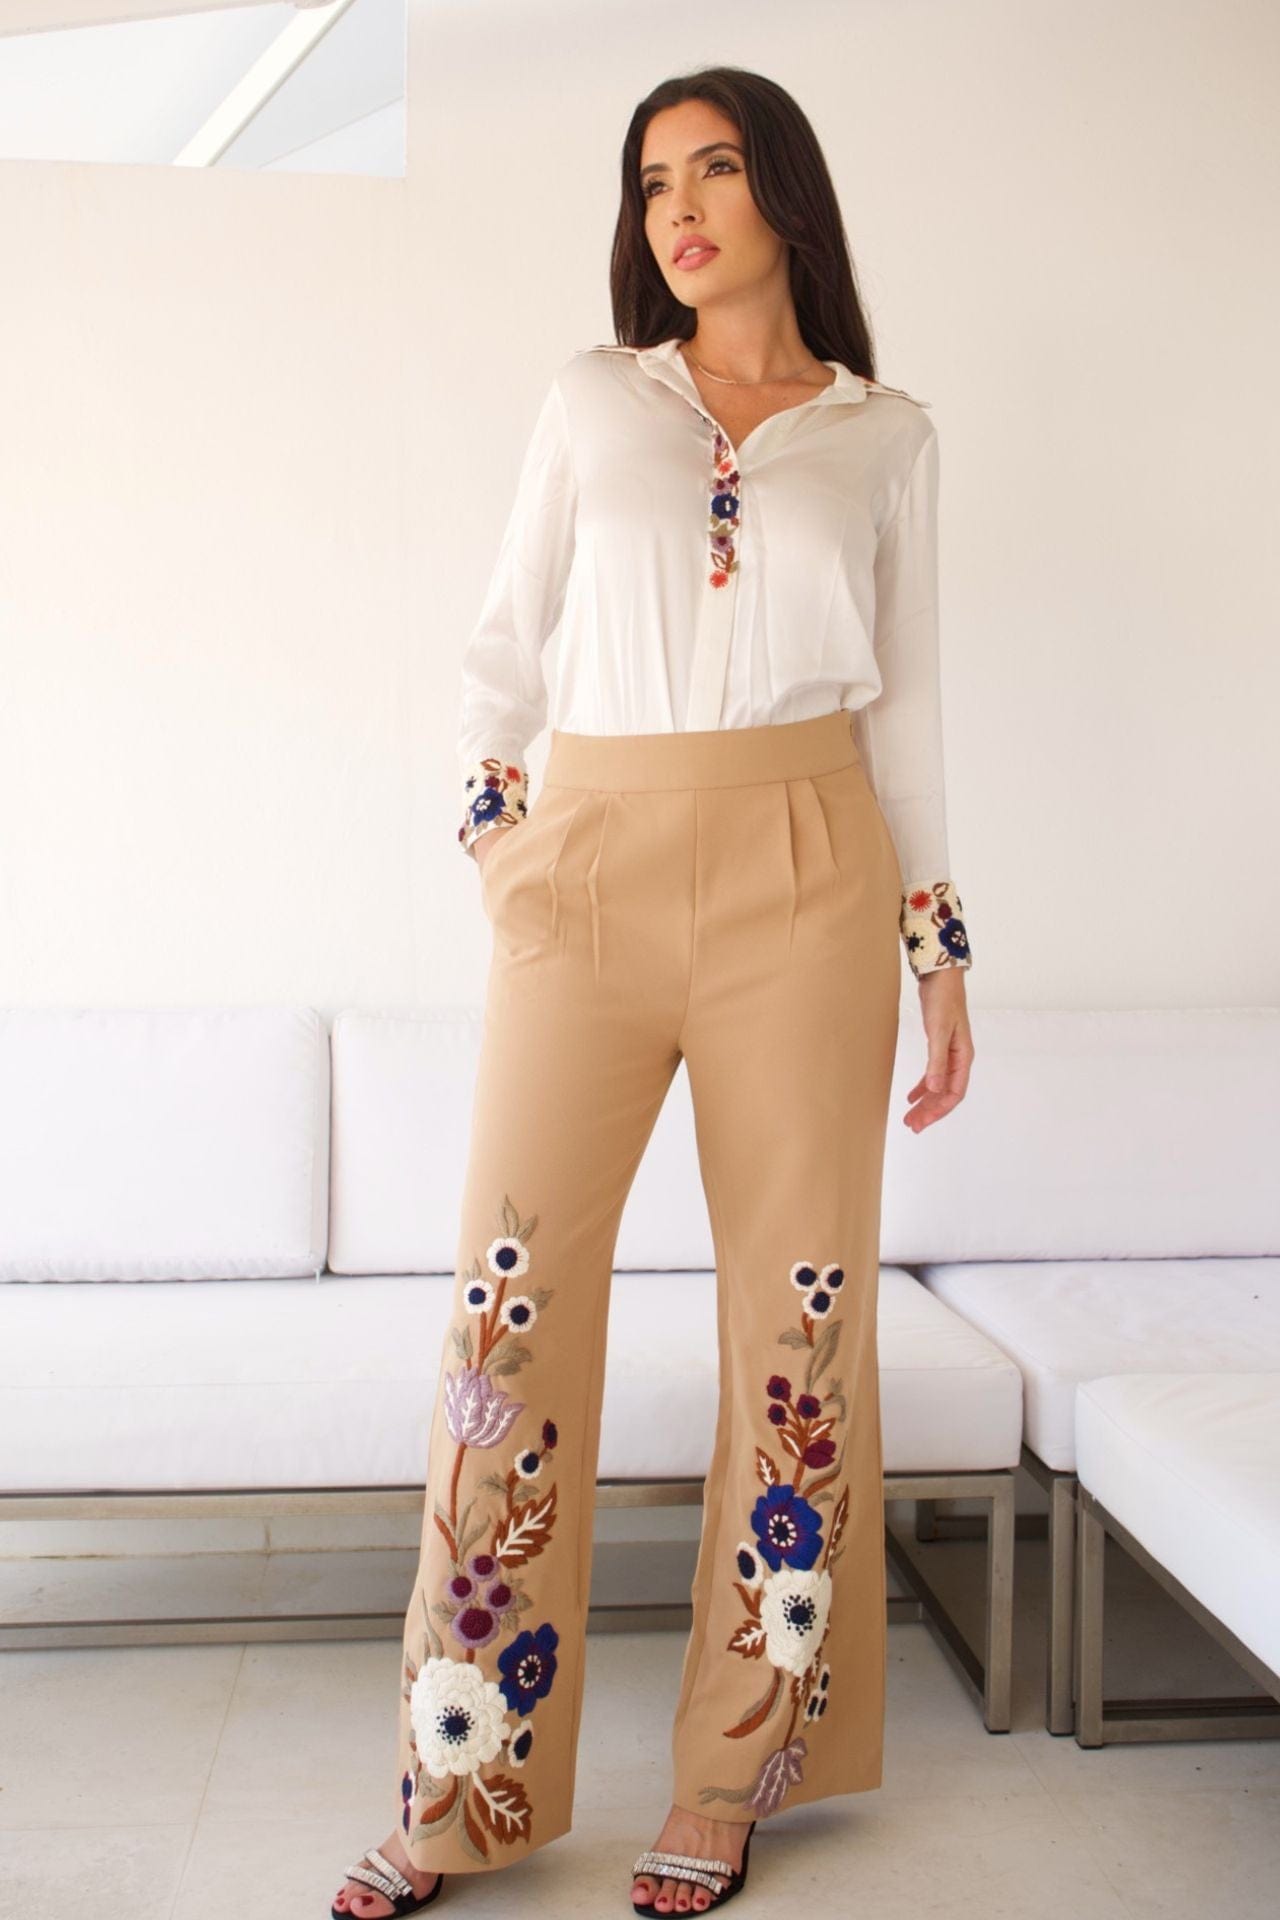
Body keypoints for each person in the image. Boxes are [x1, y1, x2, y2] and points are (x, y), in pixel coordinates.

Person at [332, 62, 974, 1920]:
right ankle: (464, 1786)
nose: (677, 209)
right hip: (593, 869)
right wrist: (501, 843)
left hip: (813, 875)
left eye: (712, 170)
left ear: (784, 192)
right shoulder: (594, 402)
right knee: (509, 1323)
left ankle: (733, 1772)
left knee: (798, 1324)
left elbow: (908, 714)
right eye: (650, 182)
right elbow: (499, 654)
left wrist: (939, 950)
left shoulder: (884, 435)